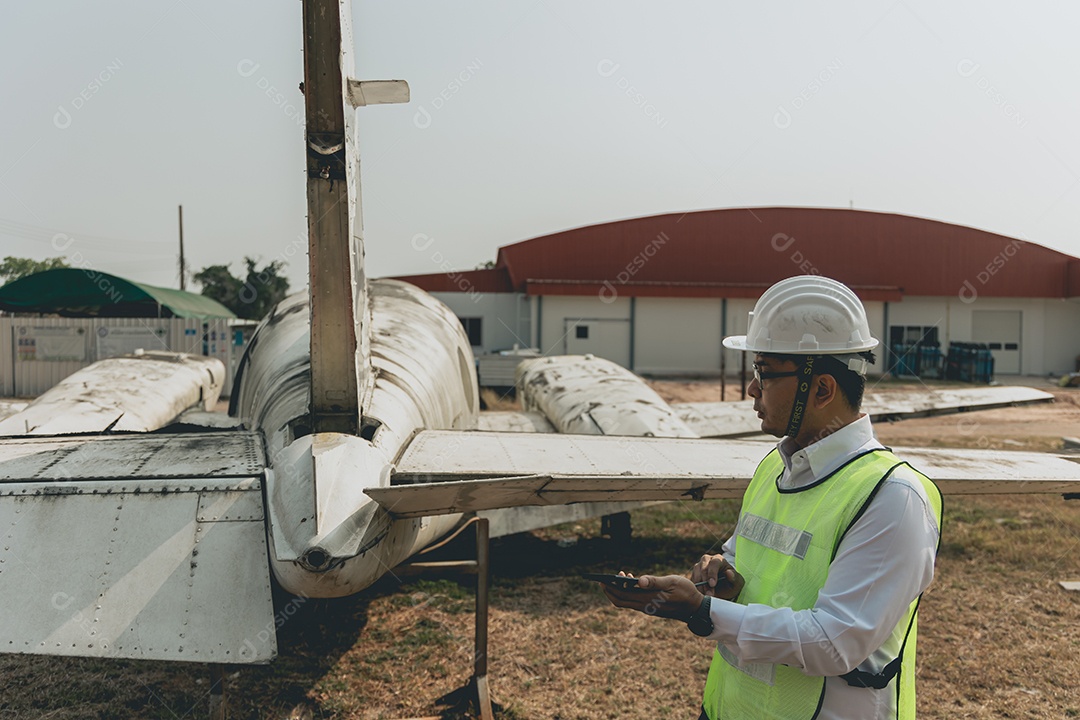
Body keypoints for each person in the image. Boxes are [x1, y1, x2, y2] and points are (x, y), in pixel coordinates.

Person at [602, 275, 942, 720]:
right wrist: (723, 573)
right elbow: (752, 560)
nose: (752, 389)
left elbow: (833, 643)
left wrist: (703, 611)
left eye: (764, 372)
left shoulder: (893, 498)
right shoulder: (774, 467)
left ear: (821, 390)